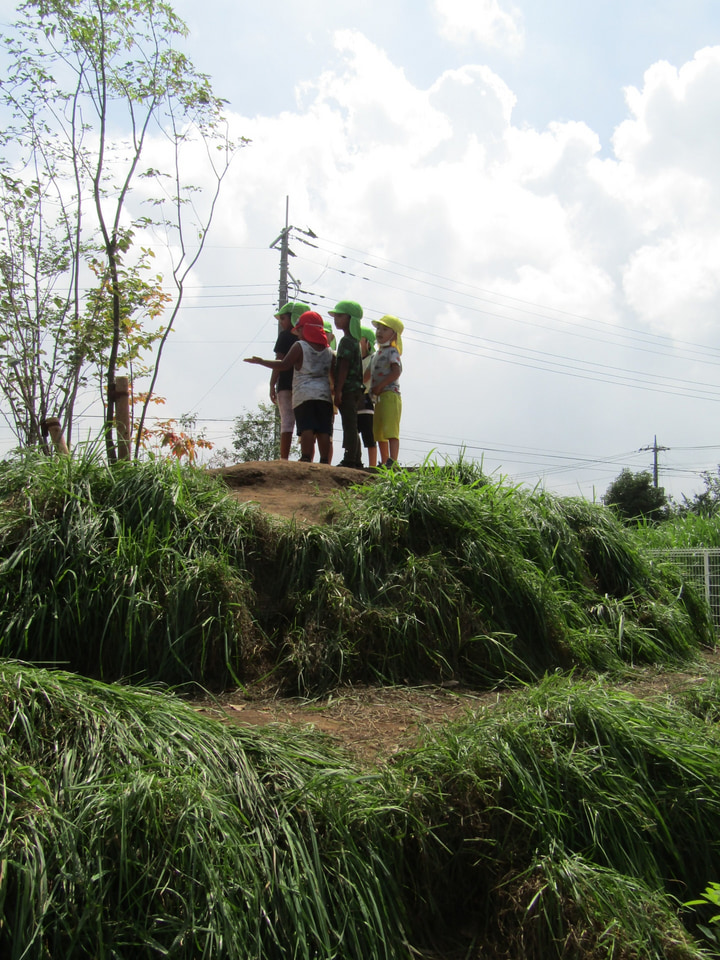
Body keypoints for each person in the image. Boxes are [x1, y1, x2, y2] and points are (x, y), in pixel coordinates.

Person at [244, 311, 335, 463]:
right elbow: (333, 375)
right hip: (324, 396)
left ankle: (306, 457)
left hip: (304, 395)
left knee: (307, 427)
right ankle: (324, 460)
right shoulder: (329, 352)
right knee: (324, 430)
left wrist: (261, 361)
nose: (298, 334)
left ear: (306, 329)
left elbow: (284, 364)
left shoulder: (300, 346)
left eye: (299, 330)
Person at [269, 301, 309, 459]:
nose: (282, 322)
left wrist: (272, 383)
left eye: (283, 318)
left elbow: (279, 361)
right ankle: (306, 458)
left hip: (286, 385)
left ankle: (283, 459)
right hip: (303, 385)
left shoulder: (284, 336)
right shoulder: (308, 340)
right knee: (305, 422)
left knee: (287, 422)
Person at [329, 299, 364, 469]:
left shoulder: (345, 342)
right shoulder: (355, 341)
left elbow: (343, 367)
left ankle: (350, 459)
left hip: (348, 389)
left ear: (350, 319)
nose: (336, 319)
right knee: (352, 424)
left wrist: (339, 390)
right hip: (356, 389)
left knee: (349, 425)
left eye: (340, 316)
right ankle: (356, 459)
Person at [370, 315, 404, 467]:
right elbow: (366, 374)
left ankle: (393, 460)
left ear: (394, 335)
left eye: (385, 329)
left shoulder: (392, 351)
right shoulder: (376, 354)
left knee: (391, 429)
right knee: (379, 431)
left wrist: (381, 385)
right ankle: (384, 461)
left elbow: (396, 371)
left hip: (390, 394)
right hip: (379, 397)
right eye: (378, 328)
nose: (379, 332)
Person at [357, 325, 377, 467]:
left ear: (368, 343)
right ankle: (355, 461)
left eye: (360, 340)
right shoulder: (356, 360)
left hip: (367, 399)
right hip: (355, 400)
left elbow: (366, 377)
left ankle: (372, 465)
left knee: (369, 435)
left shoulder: (373, 359)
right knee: (353, 432)